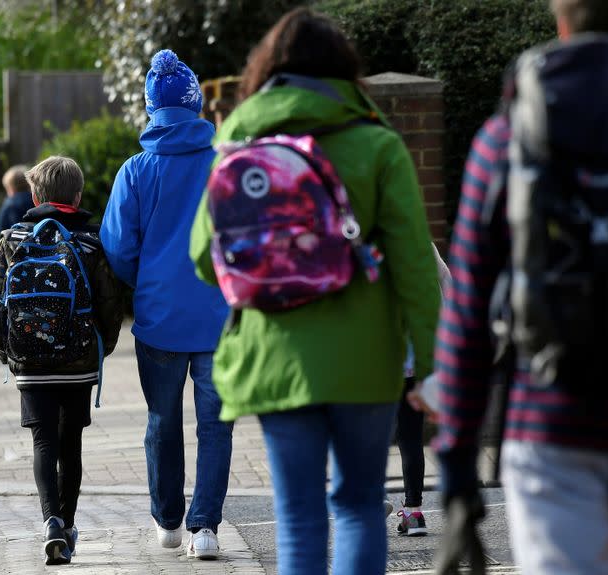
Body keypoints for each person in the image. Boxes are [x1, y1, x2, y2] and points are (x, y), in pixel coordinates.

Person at [190, 8, 441, 574]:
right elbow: (415, 269)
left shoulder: (238, 137)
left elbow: (205, 259)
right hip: (366, 359)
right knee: (357, 507)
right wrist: (429, 363)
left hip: (273, 357)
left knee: (299, 518)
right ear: (344, 70)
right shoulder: (377, 142)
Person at [433, 1, 608, 573]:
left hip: (549, 426)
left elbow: (466, 317)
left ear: (561, 23)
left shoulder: (506, 137)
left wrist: (458, 471)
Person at [100, 49, 233, 559]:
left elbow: (117, 248)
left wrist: (146, 283)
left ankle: (168, 520)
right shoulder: (223, 166)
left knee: (162, 420)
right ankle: (205, 528)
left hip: (158, 318)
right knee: (216, 425)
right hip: (220, 317)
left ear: (152, 107)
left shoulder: (136, 170)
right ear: (196, 105)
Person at [0, 156, 123, 566]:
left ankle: (50, 523)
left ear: (33, 194)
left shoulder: (12, 239)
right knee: (71, 443)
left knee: (43, 441)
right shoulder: (92, 242)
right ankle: (69, 523)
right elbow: (110, 304)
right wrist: (101, 348)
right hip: (78, 361)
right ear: (77, 196)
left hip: (30, 361)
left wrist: (8, 349)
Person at [394, 243, 451, 537]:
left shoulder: (362, 239)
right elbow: (448, 283)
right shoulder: (421, 244)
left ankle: (364, 501)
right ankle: (414, 512)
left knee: (363, 435)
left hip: (374, 360)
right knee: (410, 438)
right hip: (415, 359)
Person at [0, 164, 35, 246]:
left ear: (10, 188)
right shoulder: (35, 201)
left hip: (14, 247)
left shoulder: (9, 205)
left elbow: (0, 230)